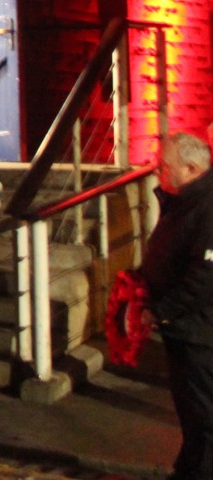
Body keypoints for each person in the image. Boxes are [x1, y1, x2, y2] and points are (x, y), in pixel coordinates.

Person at [141, 132, 213, 480]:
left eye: (165, 166)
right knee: (189, 409)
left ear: (192, 167)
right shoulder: (188, 199)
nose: (159, 172)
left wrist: (163, 309)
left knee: (203, 412)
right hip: (185, 326)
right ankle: (189, 466)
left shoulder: (207, 207)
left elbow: (205, 275)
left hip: (200, 329)